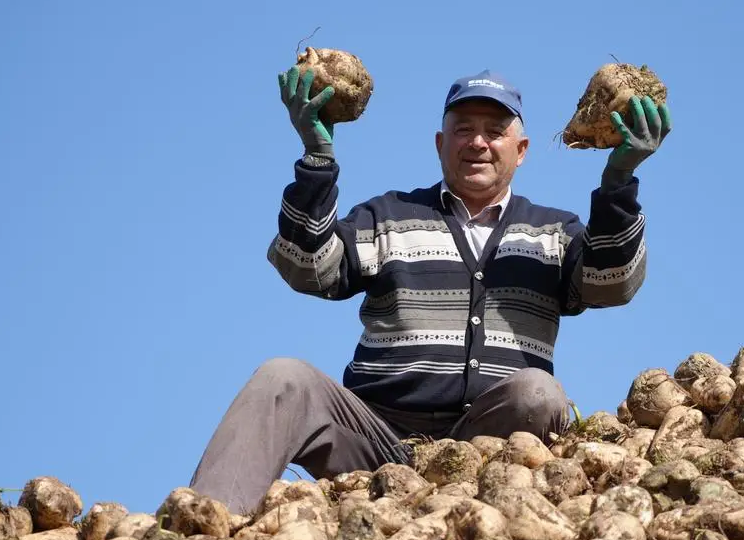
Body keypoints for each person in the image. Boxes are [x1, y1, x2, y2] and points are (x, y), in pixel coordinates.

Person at [188, 66, 671, 513]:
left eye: (495, 131)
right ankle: (204, 525)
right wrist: (317, 159)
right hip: (375, 441)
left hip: (494, 447)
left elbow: (610, 283)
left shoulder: (553, 232)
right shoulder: (387, 216)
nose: (477, 142)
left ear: (520, 150)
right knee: (282, 378)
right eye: (463, 129)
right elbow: (307, 267)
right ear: (440, 143)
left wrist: (618, 181)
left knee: (538, 393)